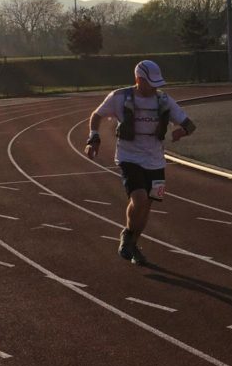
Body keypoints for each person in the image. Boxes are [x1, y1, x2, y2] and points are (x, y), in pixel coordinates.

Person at [84, 60, 196, 265]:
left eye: (156, 84)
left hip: (155, 160)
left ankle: (133, 244)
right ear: (138, 79)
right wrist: (93, 137)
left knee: (147, 207)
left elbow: (190, 124)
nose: (154, 88)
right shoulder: (120, 97)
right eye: (150, 83)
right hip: (130, 157)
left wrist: (182, 131)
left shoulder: (163, 100)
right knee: (140, 198)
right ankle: (127, 235)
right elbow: (96, 115)